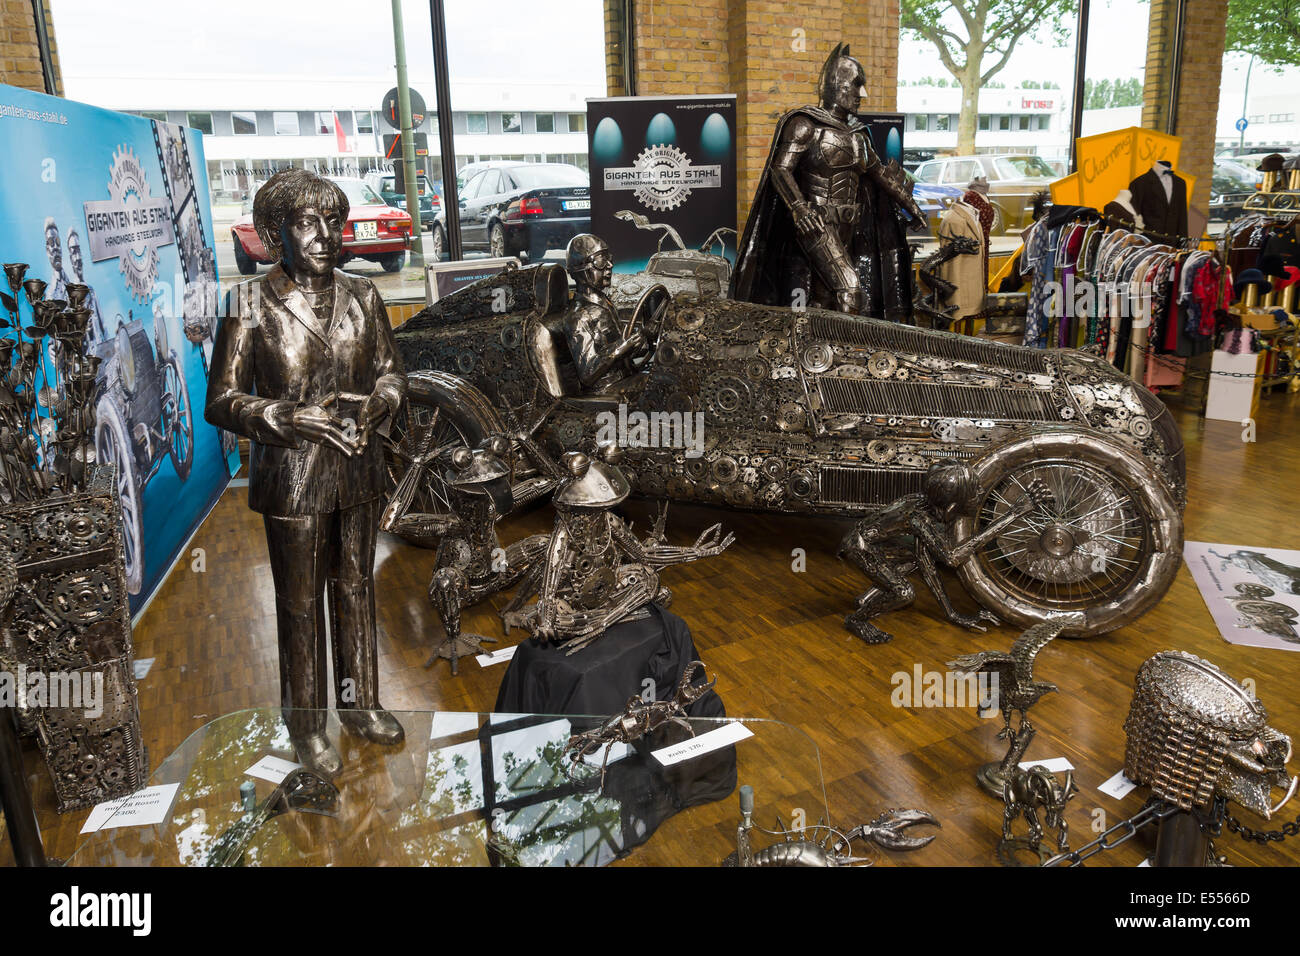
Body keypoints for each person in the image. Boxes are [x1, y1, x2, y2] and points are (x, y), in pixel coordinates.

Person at [205, 168, 406, 778]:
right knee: (297, 604)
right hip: (291, 476)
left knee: (355, 589)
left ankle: (360, 704)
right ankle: (307, 724)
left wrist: (380, 402)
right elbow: (220, 400)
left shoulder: (364, 296)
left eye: (331, 224)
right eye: (306, 224)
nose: (324, 236)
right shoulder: (248, 302)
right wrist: (288, 416)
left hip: (358, 468)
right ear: (275, 233)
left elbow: (394, 374)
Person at [730, 43, 924, 319]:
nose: (862, 94)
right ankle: (843, 352)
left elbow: (880, 174)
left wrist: (911, 206)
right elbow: (780, 170)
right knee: (850, 290)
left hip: (847, 226)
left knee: (826, 297)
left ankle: (818, 351)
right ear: (839, 85)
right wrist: (800, 208)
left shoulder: (858, 136)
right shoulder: (805, 124)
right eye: (857, 85)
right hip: (817, 224)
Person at [561, 234, 649, 391]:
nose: (609, 265)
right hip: (606, 389)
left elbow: (623, 353)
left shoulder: (605, 304)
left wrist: (642, 341)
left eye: (609, 259)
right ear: (581, 269)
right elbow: (588, 374)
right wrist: (622, 347)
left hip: (625, 377)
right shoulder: (577, 317)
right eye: (601, 261)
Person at [65, 229, 106, 343]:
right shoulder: (69, 295)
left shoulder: (91, 290)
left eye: (78, 251)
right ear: (70, 258)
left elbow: (103, 328)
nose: (77, 257)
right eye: (74, 252)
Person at [43, 217, 70, 303]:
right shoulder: (50, 292)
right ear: (47, 251)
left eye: (58, 242)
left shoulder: (70, 281)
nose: (56, 248)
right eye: (51, 243)